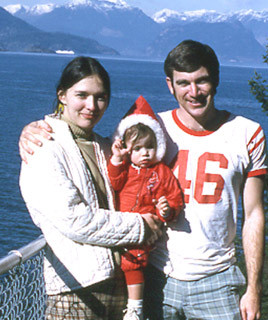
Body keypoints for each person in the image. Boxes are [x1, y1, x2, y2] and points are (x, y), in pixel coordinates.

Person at [19, 40, 267, 320]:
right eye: (183, 82)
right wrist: (33, 130)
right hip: (147, 276)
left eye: (202, 81)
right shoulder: (153, 129)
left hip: (206, 279)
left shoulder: (246, 133)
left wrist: (254, 288)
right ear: (170, 85)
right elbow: (79, 206)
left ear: (216, 81)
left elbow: (254, 213)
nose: (193, 92)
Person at [19, 56, 162, 320]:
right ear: (62, 95)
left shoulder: (104, 146)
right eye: (82, 95)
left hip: (119, 285)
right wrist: (141, 226)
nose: (91, 106)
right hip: (74, 292)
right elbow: (74, 219)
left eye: (101, 97)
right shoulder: (43, 146)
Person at [107, 96, 184, 320]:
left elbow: (174, 197)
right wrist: (116, 161)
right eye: (138, 148)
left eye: (150, 147)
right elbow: (114, 182)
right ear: (128, 150)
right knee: (120, 265)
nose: (145, 153)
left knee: (133, 263)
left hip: (143, 232)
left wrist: (166, 210)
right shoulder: (126, 169)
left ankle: (135, 308)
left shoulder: (161, 172)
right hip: (119, 226)